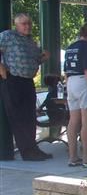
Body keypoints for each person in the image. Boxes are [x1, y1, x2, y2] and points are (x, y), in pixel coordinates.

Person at [0, 13, 52, 161]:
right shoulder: (8, 36)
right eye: (24, 23)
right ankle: (27, 152)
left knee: (30, 116)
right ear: (16, 25)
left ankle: (33, 148)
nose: (27, 26)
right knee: (18, 117)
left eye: (28, 23)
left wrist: (43, 58)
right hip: (12, 80)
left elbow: (35, 61)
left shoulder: (31, 42)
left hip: (27, 81)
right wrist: (1, 68)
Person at [64, 22, 87, 168]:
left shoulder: (70, 47)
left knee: (73, 121)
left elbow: (66, 71)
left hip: (71, 82)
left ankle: (72, 157)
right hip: (84, 82)